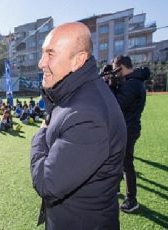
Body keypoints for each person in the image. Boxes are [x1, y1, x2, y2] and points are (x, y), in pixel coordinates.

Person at [30, 22, 126, 229]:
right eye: (42, 53)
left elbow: (47, 183)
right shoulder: (78, 92)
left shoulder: (87, 115)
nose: (41, 63)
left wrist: (39, 136)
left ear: (78, 60)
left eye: (50, 54)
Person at [112, 55, 148, 213]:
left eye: (115, 69)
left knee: (127, 164)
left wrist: (112, 87)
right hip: (129, 127)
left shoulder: (132, 85)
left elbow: (116, 105)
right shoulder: (133, 81)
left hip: (128, 129)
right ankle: (119, 188)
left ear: (121, 67)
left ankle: (131, 200)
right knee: (121, 160)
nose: (114, 72)